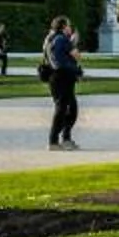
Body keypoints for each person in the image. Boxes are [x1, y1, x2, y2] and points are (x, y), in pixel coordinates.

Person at [40, 14, 82, 150]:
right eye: (68, 25)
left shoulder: (49, 39)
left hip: (55, 77)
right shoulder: (63, 39)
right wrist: (74, 42)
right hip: (63, 76)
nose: (70, 28)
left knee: (65, 109)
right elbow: (77, 55)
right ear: (64, 27)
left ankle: (64, 138)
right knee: (66, 109)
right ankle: (56, 140)